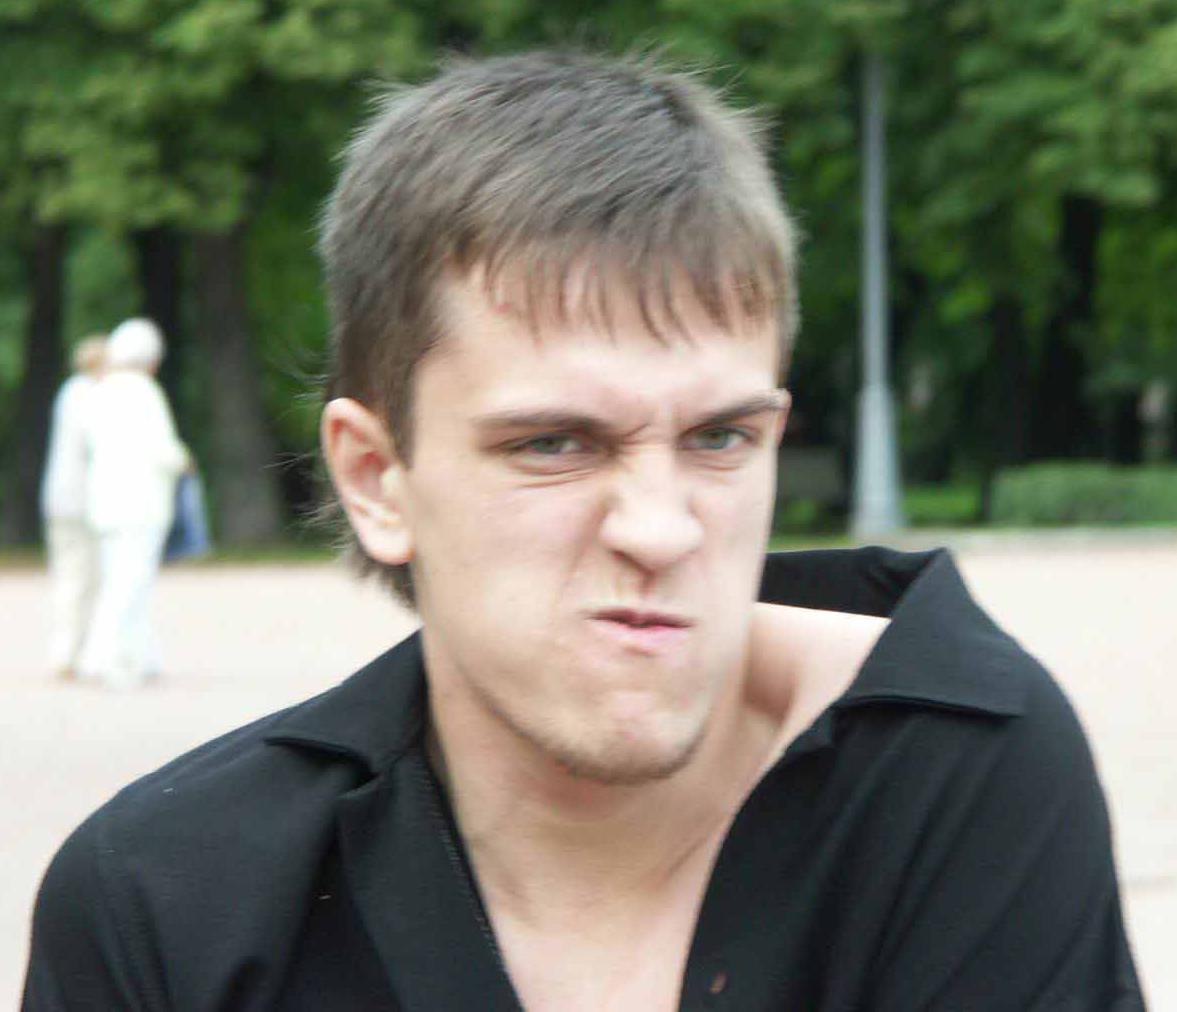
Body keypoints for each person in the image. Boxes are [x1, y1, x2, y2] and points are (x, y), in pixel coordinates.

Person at [24, 52, 1142, 1010]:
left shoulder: (950, 780)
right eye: (554, 444)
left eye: (718, 438)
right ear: (376, 478)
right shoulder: (172, 911)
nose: (660, 530)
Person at [75, 317, 190, 690]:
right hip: (142, 503)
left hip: (104, 502)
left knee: (117, 579)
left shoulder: (99, 391)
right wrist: (184, 461)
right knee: (131, 584)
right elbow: (163, 448)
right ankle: (110, 660)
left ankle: (136, 656)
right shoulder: (144, 392)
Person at [40, 336, 107, 681]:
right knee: (84, 580)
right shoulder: (91, 395)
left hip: (59, 499)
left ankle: (66, 650)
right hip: (82, 502)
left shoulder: (69, 392)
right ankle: (72, 652)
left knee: (68, 577)